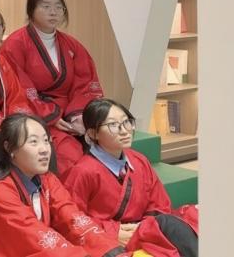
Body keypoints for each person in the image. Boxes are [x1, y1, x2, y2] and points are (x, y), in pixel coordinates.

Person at [0, 114, 123, 257]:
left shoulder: (47, 179)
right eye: (34, 142)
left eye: (46, 141)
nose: (45, 149)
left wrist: (110, 250)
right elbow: (28, 231)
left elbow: (70, 216)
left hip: (26, 243)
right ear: (10, 148)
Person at [64, 99, 198, 256]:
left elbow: (159, 204)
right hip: (107, 239)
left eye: (126, 122)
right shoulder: (82, 171)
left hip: (144, 230)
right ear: (93, 133)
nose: (124, 130)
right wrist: (113, 231)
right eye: (113, 125)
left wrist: (144, 227)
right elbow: (72, 220)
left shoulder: (139, 160)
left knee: (186, 218)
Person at [0, 0, 104, 175]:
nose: (53, 12)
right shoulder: (15, 44)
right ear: (31, 10)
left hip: (71, 113)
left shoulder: (72, 44)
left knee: (108, 139)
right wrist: (52, 117)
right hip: (36, 114)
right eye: (46, 6)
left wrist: (78, 115)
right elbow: (17, 88)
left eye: (58, 7)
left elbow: (85, 82)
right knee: (69, 155)